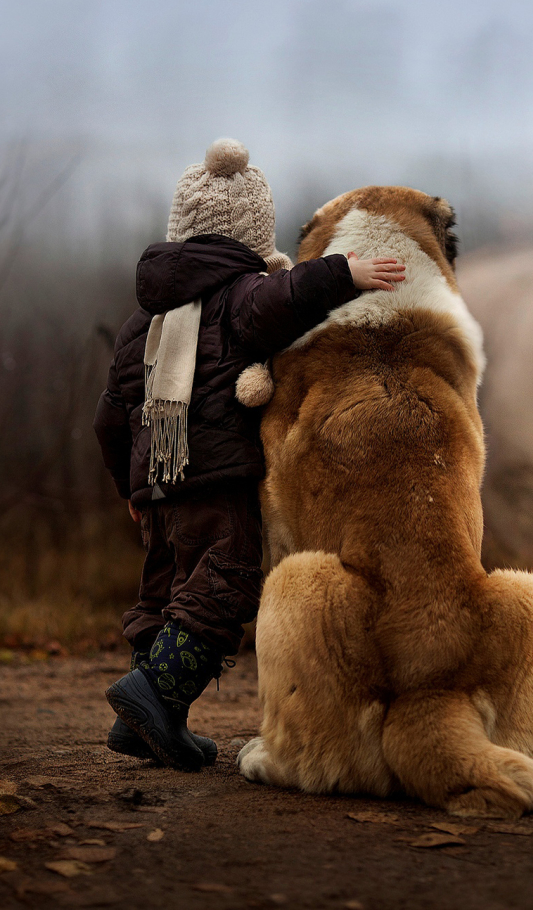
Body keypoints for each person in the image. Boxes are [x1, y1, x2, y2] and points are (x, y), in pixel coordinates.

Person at [94, 138, 405, 771]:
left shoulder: (141, 323)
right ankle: (153, 694)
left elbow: (109, 416)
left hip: (155, 484)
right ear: (251, 234)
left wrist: (130, 488)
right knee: (224, 586)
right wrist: (347, 272)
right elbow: (284, 299)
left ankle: (149, 722)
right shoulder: (239, 297)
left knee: (165, 594)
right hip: (214, 479)